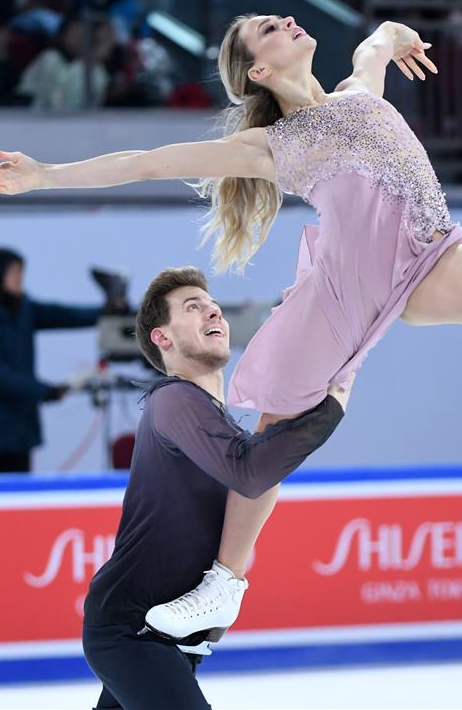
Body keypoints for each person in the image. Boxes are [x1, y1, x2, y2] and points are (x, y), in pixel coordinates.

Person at [0, 14, 462, 634]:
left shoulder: (361, 93)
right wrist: (44, 174)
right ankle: (224, 585)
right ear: (259, 71)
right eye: (268, 29)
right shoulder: (271, 145)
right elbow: (145, 163)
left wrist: (397, 35)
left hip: (428, 259)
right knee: (272, 435)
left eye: (281, 17)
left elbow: (377, 42)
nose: (287, 21)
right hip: (341, 293)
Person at [82, 266, 349, 709]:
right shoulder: (172, 400)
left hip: (168, 633)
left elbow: (260, 466)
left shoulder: (212, 421)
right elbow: (252, 472)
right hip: (131, 630)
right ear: (162, 338)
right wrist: (332, 407)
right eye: (193, 308)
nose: (213, 312)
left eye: (213, 306)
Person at [0, 247, 108, 473]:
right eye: (14, 272)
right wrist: (44, 391)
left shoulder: (22, 307)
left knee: (18, 493)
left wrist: (104, 312)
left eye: (21, 271)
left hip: (18, 431)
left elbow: (60, 315)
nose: (20, 278)